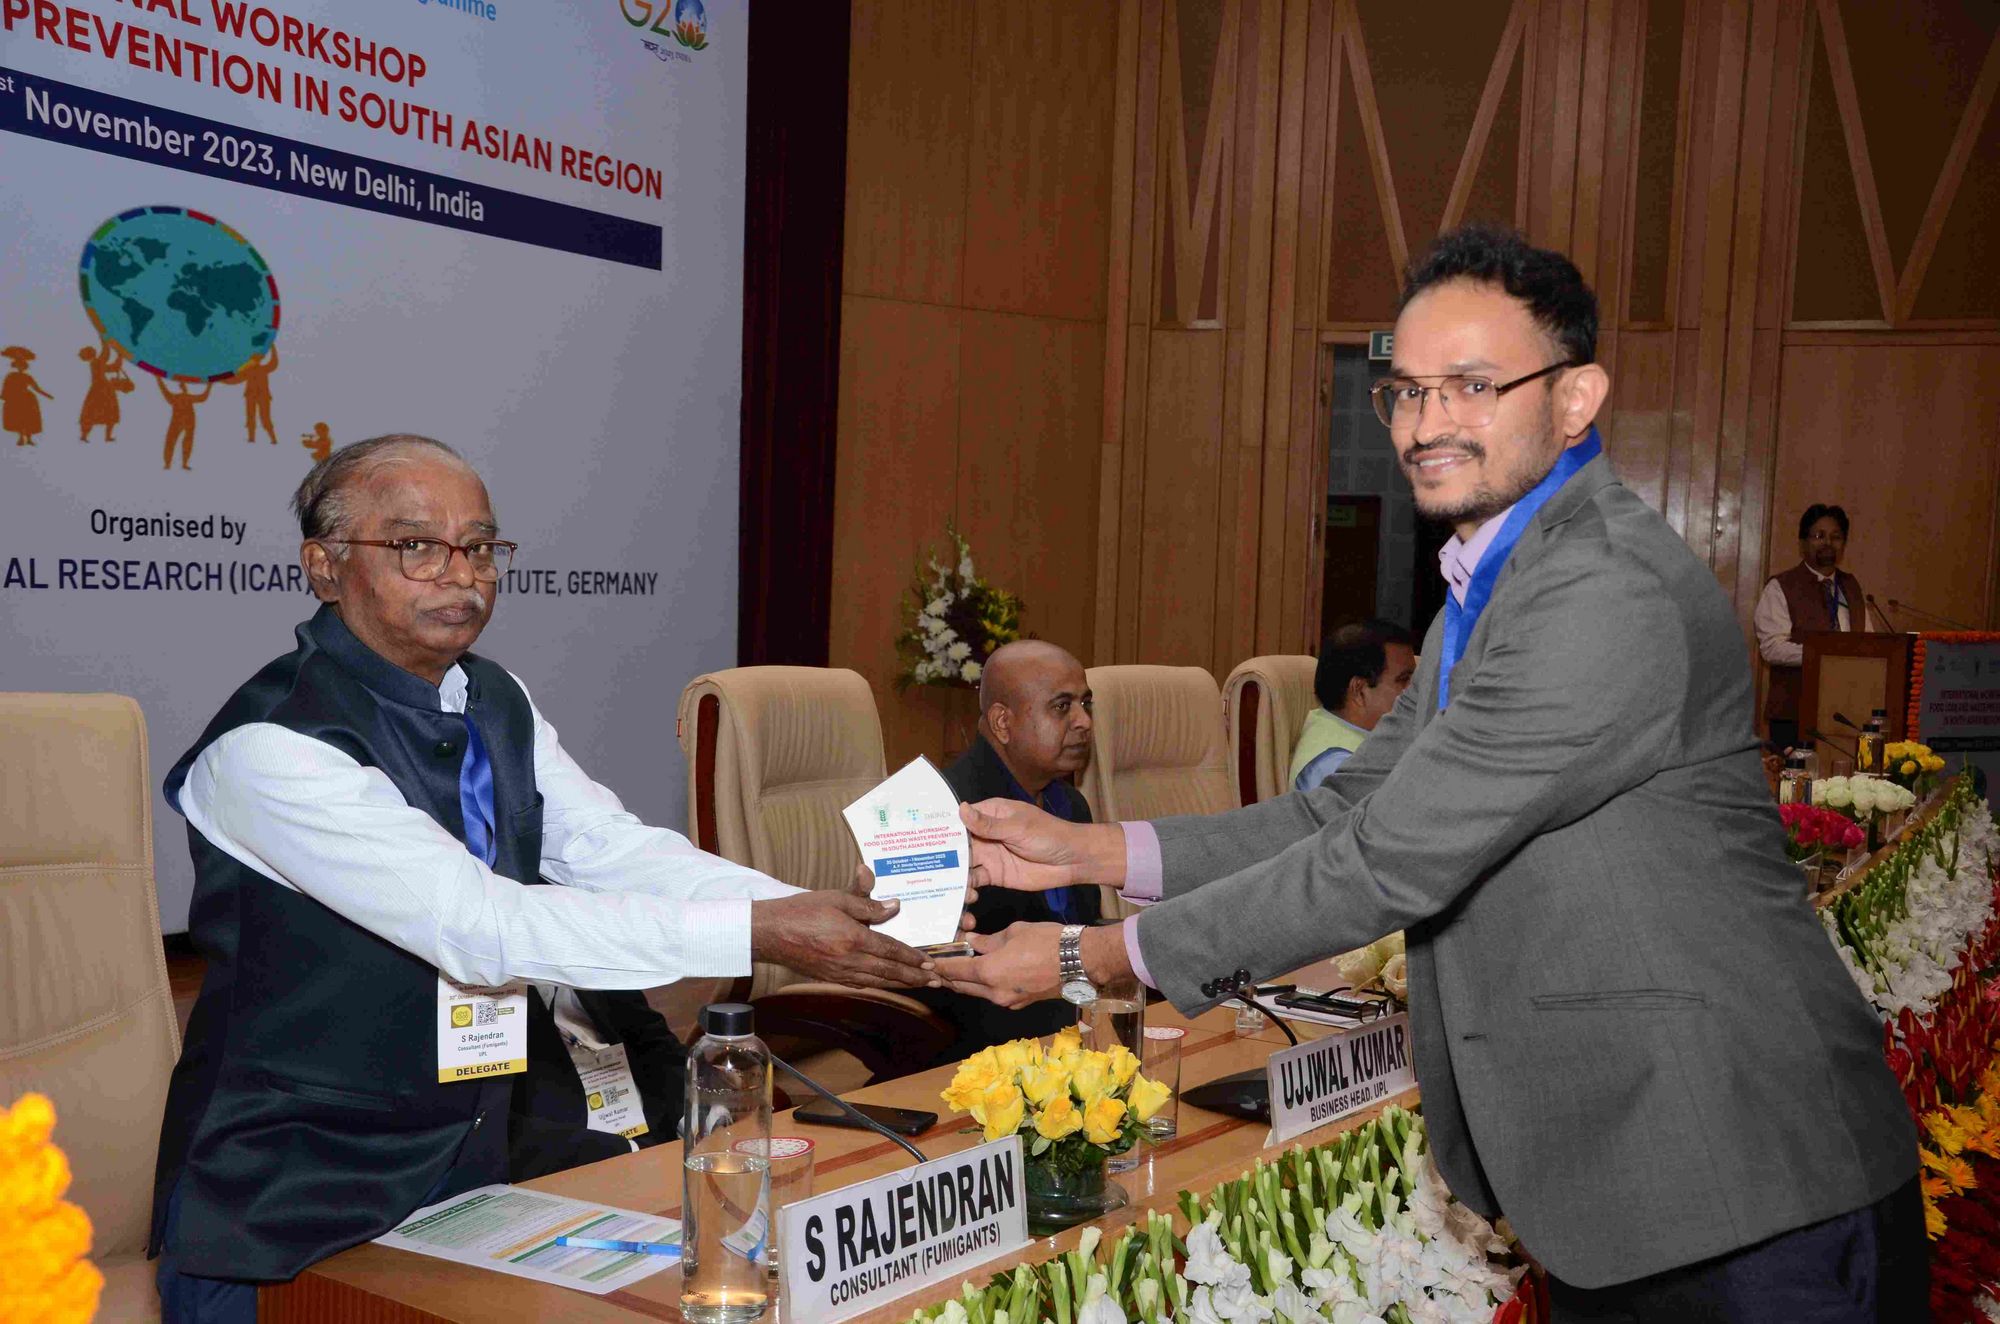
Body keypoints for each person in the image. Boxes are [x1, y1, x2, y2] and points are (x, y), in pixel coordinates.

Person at [939, 226, 1921, 1320]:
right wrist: (1086, 849)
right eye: (1403, 390)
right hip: (1644, 1180)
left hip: (1731, 1179)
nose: (1425, 422)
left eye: (1470, 384)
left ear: (1575, 397)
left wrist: (1094, 953)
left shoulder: (1598, 588)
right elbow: (1353, 803)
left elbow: (1389, 857)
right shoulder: (1494, 582)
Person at [150, 435, 943, 1321]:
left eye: (480, 547)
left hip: (486, 1164)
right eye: (415, 546)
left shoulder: (496, 697)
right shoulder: (271, 747)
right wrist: (762, 932)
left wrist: (794, 907)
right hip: (301, 1196)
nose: (460, 573)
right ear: (325, 567)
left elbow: (609, 849)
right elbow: (484, 929)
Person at [915, 640, 1100, 1062]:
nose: (1084, 721)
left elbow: (1081, 927)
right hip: (984, 1043)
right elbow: (933, 978)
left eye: (1086, 704)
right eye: (1062, 707)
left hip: (1068, 1025)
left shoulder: (1070, 805)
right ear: (1002, 722)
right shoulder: (946, 812)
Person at [1755, 504, 1868, 752]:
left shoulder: (1852, 587)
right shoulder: (1781, 586)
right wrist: (1823, 653)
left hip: (1847, 711)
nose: (1828, 542)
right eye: (1819, 536)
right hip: (1794, 713)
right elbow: (1772, 648)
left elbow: (1870, 644)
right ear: (1803, 543)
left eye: (1836, 537)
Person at [1288, 618, 1416, 790]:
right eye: (1404, 680)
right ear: (1359, 690)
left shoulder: (1373, 737)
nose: (1415, 689)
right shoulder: (1335, 765)